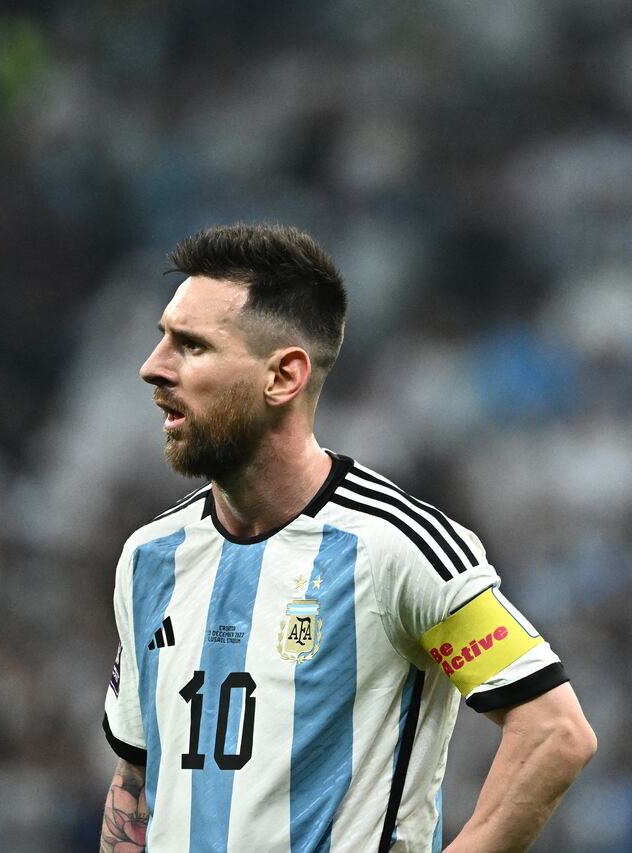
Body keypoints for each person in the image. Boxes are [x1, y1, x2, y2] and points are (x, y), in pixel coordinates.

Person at [98, 223, 597, 852]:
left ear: (283, 377)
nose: (152, 367)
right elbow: (136, 781)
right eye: (162, 337)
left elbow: (554, 732)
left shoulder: (397, 548)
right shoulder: (149, 559)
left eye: (191, 346)